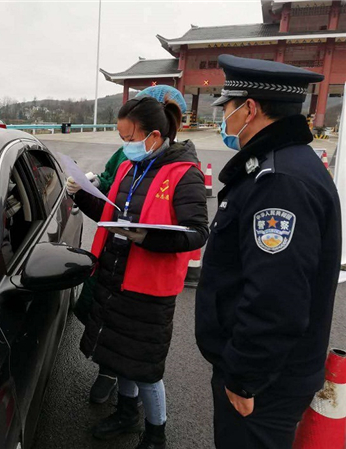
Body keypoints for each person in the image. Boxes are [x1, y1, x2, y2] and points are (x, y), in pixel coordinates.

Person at [195, 54, 341, 449]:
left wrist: (245, 378)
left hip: (266, 382)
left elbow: (276, 297)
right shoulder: (282, 165)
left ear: (250, 108)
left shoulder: (279, 182)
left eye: (227, 108)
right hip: (268, 372)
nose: (224, 119)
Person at [67, 95, 209, 448]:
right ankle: (126, 413)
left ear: (154, 136)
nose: (126, 146)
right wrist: (80, 194)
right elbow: (109, 214)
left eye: (130, 138)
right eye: (122, 139)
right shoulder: (129, 168)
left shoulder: (184, 173)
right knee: (119, 358)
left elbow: (197, 232)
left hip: (149, 290)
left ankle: (156, 434)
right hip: (115, 277)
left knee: (145, 369)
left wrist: (148, 238)